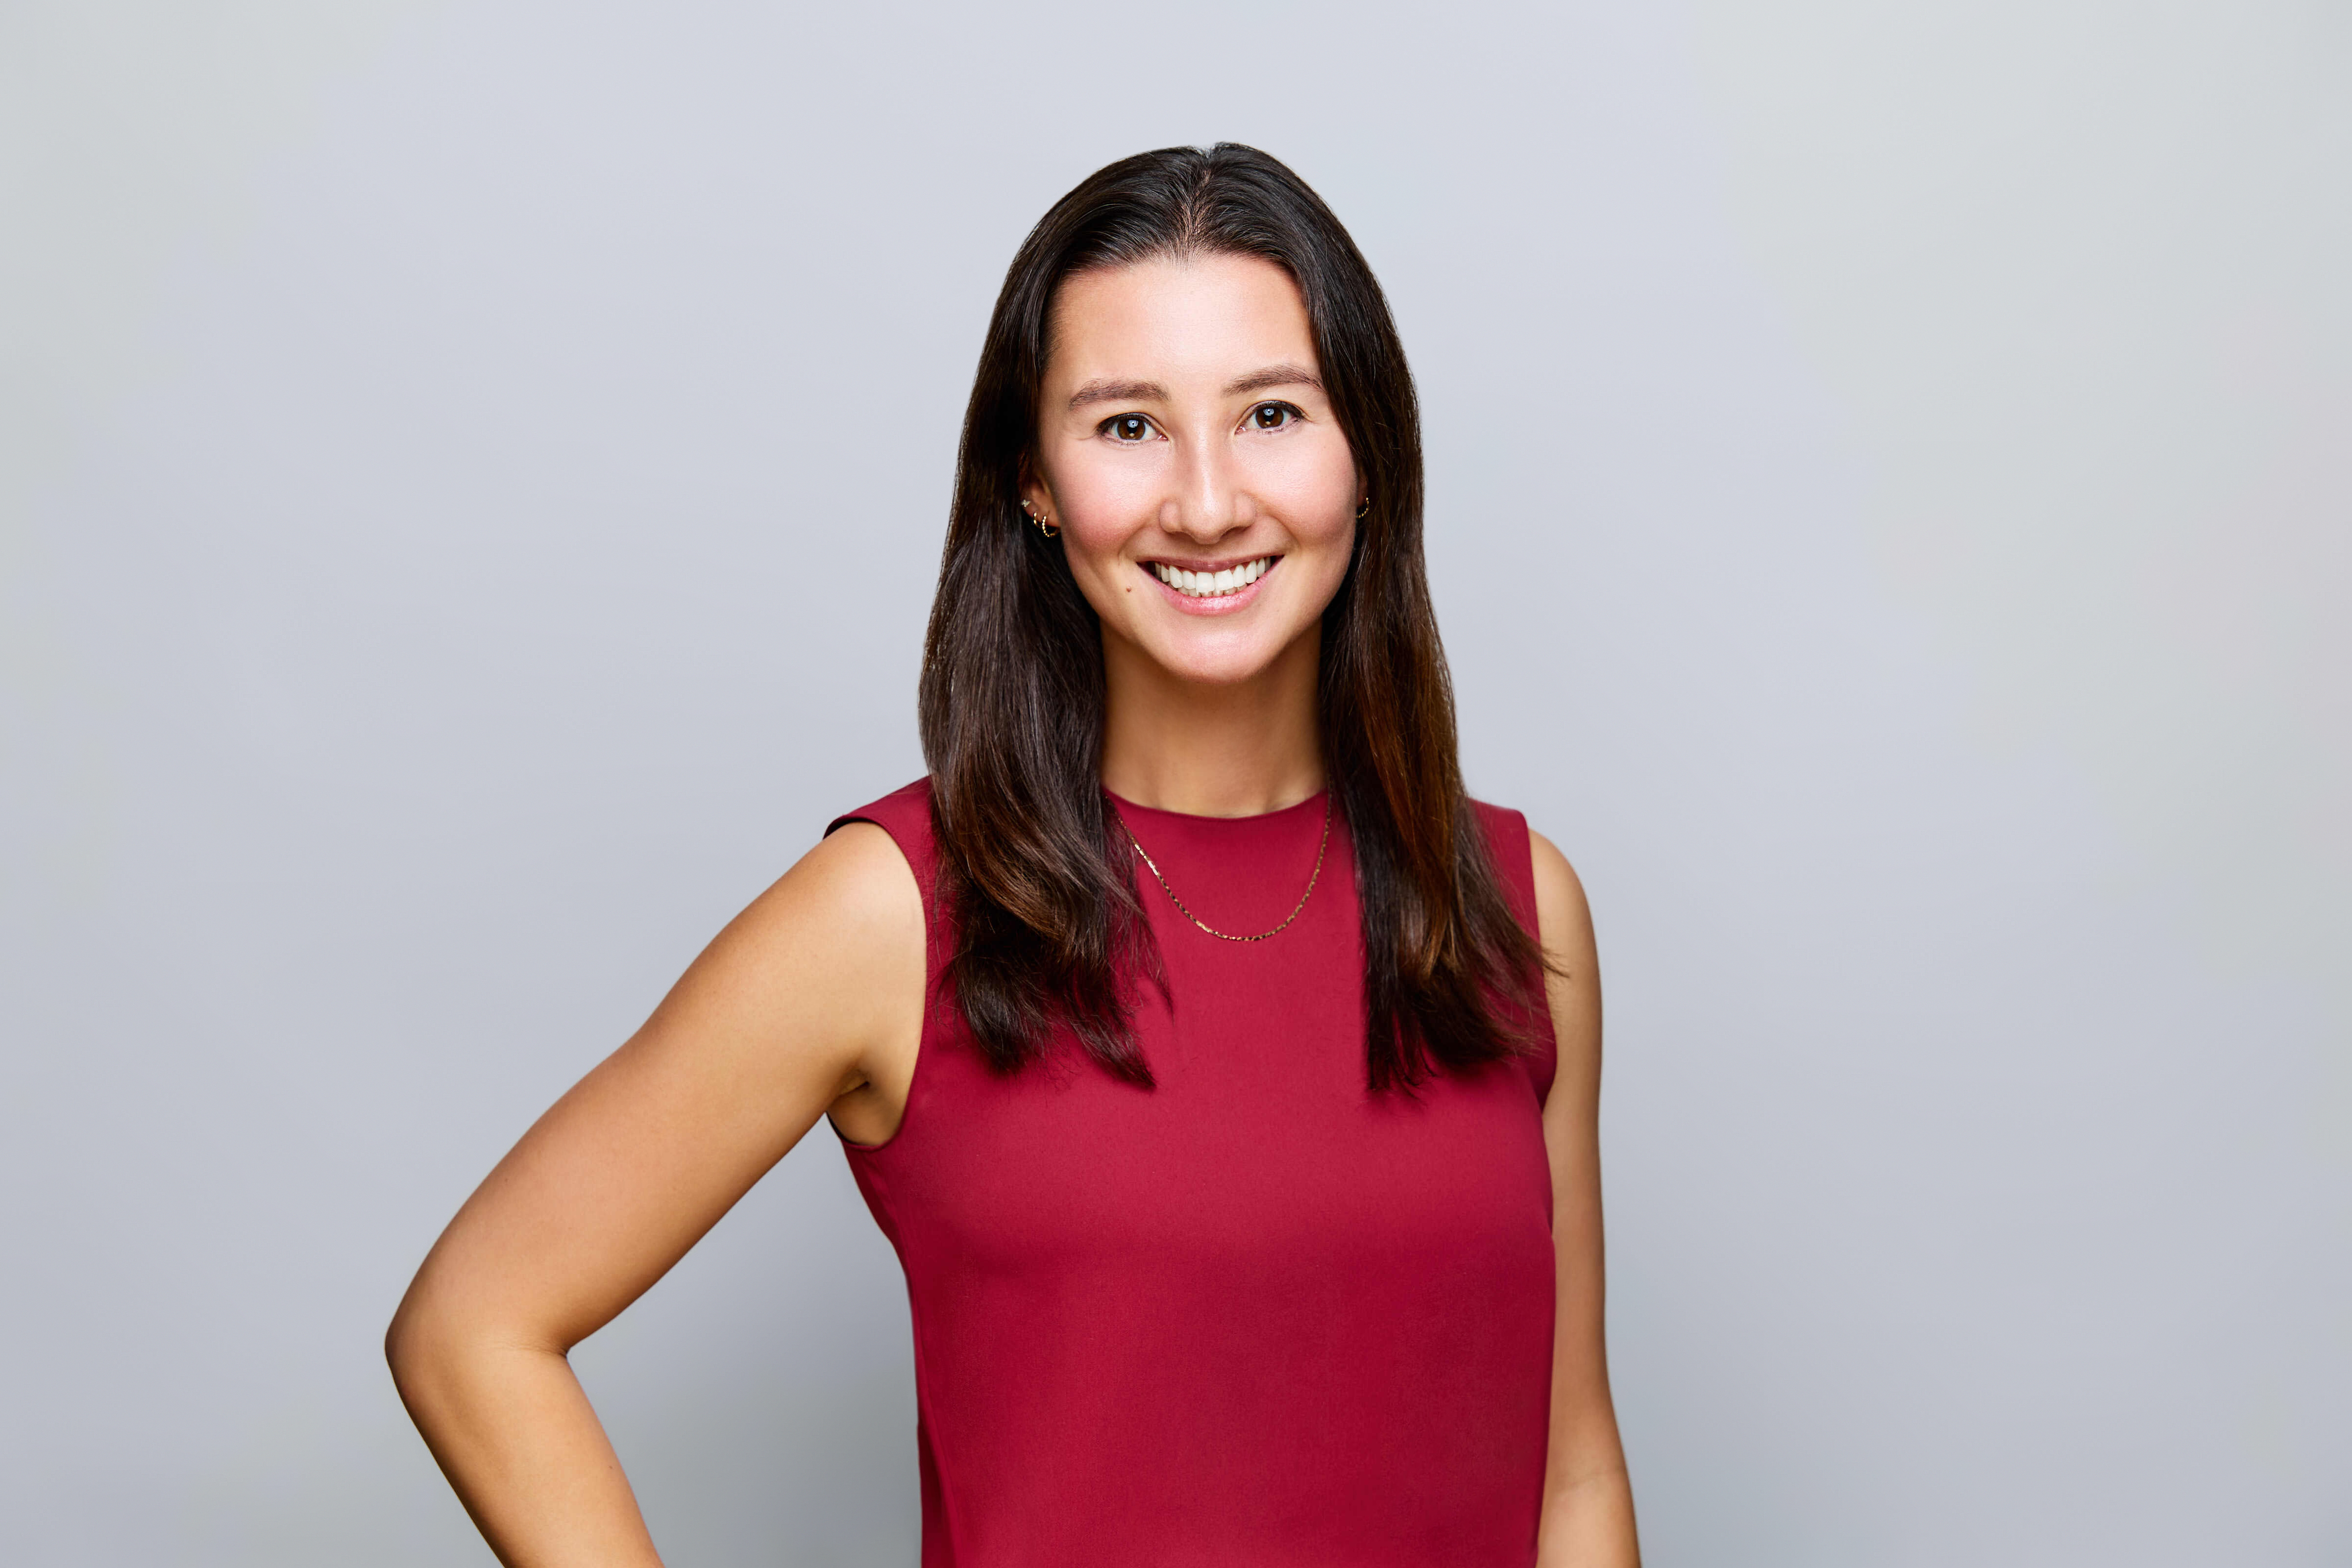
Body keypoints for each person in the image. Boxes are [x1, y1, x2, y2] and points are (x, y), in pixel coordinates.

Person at [387, 142, 1639, 1568]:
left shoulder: (1514, 907)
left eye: (1273, 413)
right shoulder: (899, 912)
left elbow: (1573, 1473)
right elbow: (476, 1324)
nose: (1209, 500)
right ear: (1035, 484)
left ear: (1369, 455)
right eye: (1126, 428)